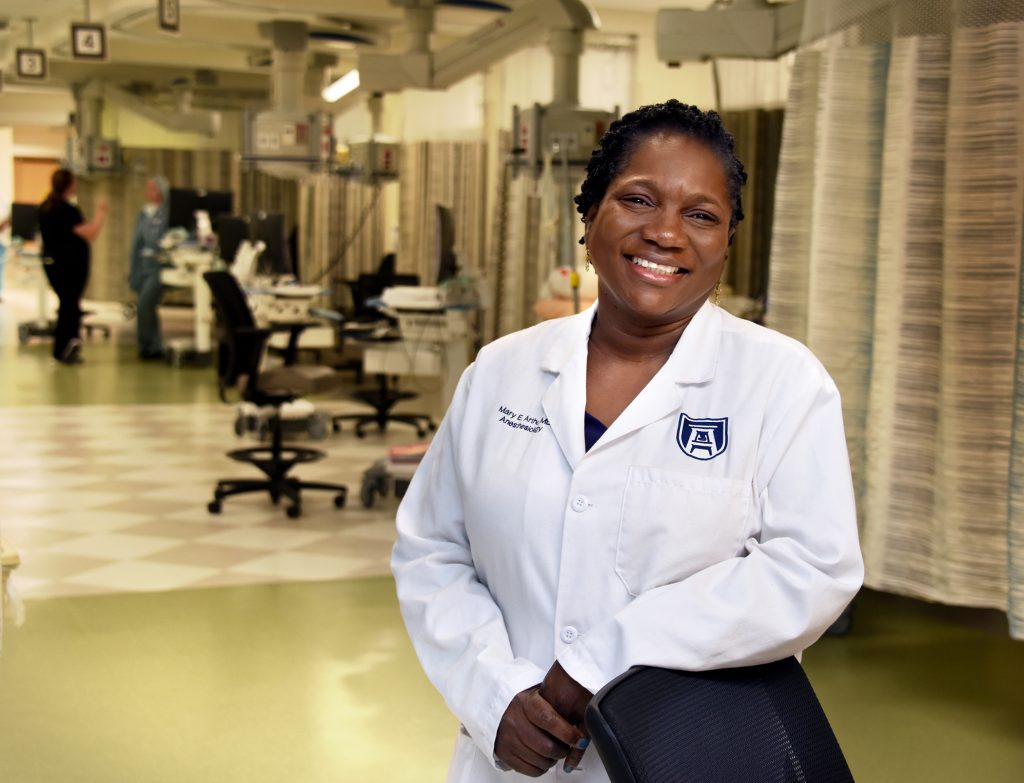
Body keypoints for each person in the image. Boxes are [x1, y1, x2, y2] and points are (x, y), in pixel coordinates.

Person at [391, 100, 864, 781]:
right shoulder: (501, 369)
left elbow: (813, 568)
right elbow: (432, 547)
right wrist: (494, 695)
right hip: (511, 759)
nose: (666, 232)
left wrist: (603, 656)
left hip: (684, 757)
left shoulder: (782, 382)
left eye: (700, 214)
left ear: (728, 240)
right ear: (589, 218)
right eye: (638, 199)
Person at [37, 169, 107, 364]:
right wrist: (101, 212)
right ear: (69, 185)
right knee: (69, 306)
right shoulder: (66, 210)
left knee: (68, 305)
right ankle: (64, 348)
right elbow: (91, 233)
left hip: (52, 263)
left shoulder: (46, 207)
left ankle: (68, 346)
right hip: (68, 266)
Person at [129, 176, 169, 359]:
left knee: (145, 304)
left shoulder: (168, 213)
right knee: (145, 307)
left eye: (153, 189)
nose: (150, 192)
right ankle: (148, 346)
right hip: (143, 265)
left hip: (159, 266)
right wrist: (132, 270)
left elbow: (158, 240)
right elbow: (137, 243)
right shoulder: (144, 214)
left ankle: (153, 345)